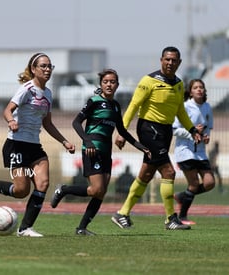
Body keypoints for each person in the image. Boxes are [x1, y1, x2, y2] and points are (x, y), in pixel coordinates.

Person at [0, 52, 75, 237]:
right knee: (21, 191)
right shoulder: (26, 89)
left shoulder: (48, 94)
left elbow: (48, 123)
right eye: (43, 66)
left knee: (43, 184)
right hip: (16, 144)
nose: (47, 69)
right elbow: (7, 110)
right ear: (33, 69)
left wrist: (64, 141)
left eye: (49, 66)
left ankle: (25, 228)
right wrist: (11, 121)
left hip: (34, 147)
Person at [111, 46, 202, 230]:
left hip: (165, 131)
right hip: (148, 129)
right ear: (161, 60)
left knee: (146, 174)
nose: (170, 63)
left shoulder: (178, 84)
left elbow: (180, 111)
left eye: (174, 60)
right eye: (167, 59)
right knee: (169, 172)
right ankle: (170, 219)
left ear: (179, 63)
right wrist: (122, 131)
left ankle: (122, 213)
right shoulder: (149, 81)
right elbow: (133, 105)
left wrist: (192, 129)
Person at [50, 69, 150, 236]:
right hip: (92, 149)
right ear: (101, 85)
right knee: (97, 189)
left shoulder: (116, 106)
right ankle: (64, 190)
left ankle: (81, 228)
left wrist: (142, 147)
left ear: (117, 85)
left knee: (101, 192)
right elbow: (76, 123)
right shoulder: (94, 101)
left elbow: (122, 132)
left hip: (106, 152)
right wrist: (87, 141)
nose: (109, 84)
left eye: (112, 82)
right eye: (106, 82)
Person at [173, 79, 215, 225]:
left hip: (200, 152)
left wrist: (206, 135)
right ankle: (182, 217)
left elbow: (208, 126)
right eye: (195, 87)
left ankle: (182, 196)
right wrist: (191, 132)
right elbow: (174, 129)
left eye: (201, 87)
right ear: (190, 91)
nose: (199, 90)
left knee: (210, 183)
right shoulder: (184, 107)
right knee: (194, 183)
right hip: (185, 151)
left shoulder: (207, 107)